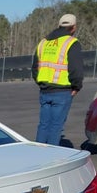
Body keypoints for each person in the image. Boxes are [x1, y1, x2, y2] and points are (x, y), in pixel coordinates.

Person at [32, 13, 84, 146]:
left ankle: (38, 153)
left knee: (43, 125)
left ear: (59, 25)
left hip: (45, 90)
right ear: (73, 27)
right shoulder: (71, 43)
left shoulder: (43, 42)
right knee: (56, 127)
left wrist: (41, 82)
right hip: (62, 91)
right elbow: (75, 69)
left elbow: (35, 68)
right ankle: (52, 155)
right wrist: (76, 86)